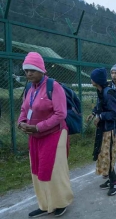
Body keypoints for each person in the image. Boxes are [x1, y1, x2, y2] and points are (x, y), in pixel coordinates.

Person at [18, 52, 73, 217]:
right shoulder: (29, 87)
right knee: (37, 169)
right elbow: (25, 109)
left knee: (53, 169)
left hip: (54, 134)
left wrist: (38, 127)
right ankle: (44, 204)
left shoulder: (53, 86)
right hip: (34, 136)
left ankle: (60, 202)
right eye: (26, 70)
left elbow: (60, 114)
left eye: (32, 70)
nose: (28, 73)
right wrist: (21, 122)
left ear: (41, 69)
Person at [88, 68, 116, 196]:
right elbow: (100, 106)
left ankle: (115, 182)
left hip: (110, 130)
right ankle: (110, 180)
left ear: (97, 80)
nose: (91, 80)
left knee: (108, 157)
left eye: (93, 78)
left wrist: (100, 117)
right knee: (103, 155)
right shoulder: (100, 91)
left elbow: (115, 113)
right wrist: (94, 113)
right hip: (103, 129)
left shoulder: (109, 93)